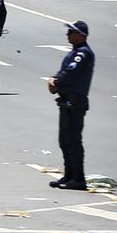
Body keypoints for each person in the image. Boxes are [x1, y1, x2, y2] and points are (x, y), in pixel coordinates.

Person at [48, 21, 94, 191]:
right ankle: (69, 174)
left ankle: (78, 178)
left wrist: (56, 83)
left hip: (75, 102)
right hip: (66, 101)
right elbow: (64, 71)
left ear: (82, 35)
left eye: (72, 32)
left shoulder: (82, 54)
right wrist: (54, 79)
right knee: (64, 140)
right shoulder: (75, 52)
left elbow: (71, 73)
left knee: (73, 140)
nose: (68, 34)